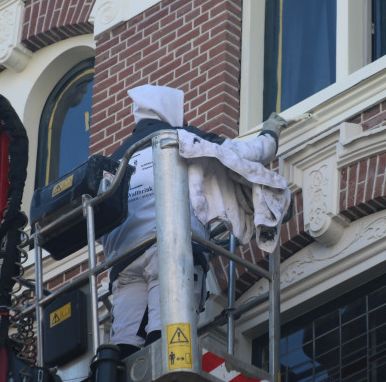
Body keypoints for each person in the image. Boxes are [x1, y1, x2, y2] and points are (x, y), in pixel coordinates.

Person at [99, 85, 287, 357]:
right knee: (167, 327)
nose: (185, 120)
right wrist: (271, 132)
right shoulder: (181, 138)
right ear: (169, 112)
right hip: (168, 250)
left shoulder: (114, 160)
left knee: (126, 341)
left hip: (123, 262)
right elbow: (247, 154)